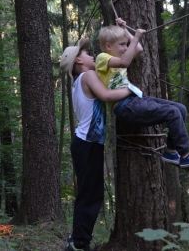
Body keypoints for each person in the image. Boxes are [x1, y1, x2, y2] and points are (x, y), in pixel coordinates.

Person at [95, 18, 189, 168]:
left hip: (136, 100)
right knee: (172, 112)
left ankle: (171, 151)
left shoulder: (119, 55)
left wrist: (125, 31)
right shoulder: (102, 58)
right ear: (108, 46)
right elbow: (125, 61)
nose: (126, 48)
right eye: (122, 45)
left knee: (180, 109)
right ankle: (185, 155)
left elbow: (138, 49)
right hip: (125, 107)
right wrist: (135, 37)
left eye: (126, 44)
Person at [60, 37, 132, 251]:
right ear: (79, 62)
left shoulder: (79, 82)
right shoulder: (88, 75)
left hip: (85, 143)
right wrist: (132, 90)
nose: (91, 55)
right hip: (87, 143)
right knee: (91, 195)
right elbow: (107, 95)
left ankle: (78, 240)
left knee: (89, 193)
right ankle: (79, 244)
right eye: (85, 53)